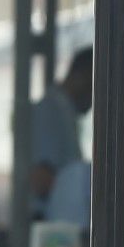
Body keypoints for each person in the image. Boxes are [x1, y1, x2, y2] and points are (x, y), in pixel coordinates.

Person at [29, 48, 92, 212]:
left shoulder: (65, 112)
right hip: (51, 225)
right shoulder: (52, 110)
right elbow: (41, 180)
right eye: (94, 87)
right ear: (80, 77)